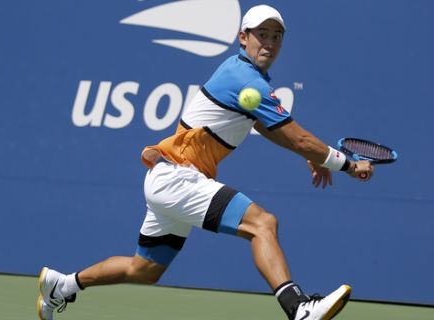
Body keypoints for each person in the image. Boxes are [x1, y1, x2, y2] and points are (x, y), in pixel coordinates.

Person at [37, 4, 374, 320]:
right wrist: (345, 164)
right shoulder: (246, 79)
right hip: (180, 179)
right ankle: (299, 308)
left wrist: (310, 155)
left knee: (144, 269)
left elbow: (271, 129)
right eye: (261, 34)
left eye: (276, 36)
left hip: (166, 178)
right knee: (262, 224)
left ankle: (62, 285)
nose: (269, 43)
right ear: (243, 37)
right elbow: (297, 137)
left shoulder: (243, 75)